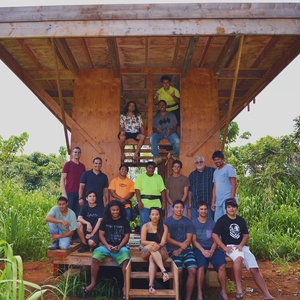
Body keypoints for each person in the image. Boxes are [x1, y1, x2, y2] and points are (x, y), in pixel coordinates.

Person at [212, 198, 276, 300]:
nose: (231, 209)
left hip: (241, 246)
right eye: (229, 207)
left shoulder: (241, 220)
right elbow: (215, 235)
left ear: (236, 208)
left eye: (233, 207)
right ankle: (239, 290)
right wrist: (224, 247)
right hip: (230, 247)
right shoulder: (222, 220)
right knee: (238, 259)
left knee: (254, 268)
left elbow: (246, 235)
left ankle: (266, 295)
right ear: (226, 209)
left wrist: (241, 245)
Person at [82, 200, 131, 297]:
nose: (115, 212)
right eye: (113, 210)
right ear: (109, 210)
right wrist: (107, 246)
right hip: (106, 246)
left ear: (120, 210)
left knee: (126, 256)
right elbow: (101, 235)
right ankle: (93, 284)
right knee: (95, 254)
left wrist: (120, 246)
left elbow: (126, 236)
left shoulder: (124, 221)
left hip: (120, 247)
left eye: (117, 210)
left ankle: (125, 286)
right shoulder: (105, 220)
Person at [192, 201, 228, 300]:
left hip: (212, 248)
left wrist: (212, 250)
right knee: (201, 267)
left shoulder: (212, 223)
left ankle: (223, 291)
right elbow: (193, 240)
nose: (203, 211)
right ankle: (199, 293)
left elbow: (216, 239)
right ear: (198, 210)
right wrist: (203, 251)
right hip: (199, 248)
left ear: (207, 210)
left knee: (222, 265)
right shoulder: (193, 223)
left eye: (205, 209)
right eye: (201, 209)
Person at [164, 200, 197, 300]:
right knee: (178, 271)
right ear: (173, 209)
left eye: (181, 208)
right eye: (177, 207)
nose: (179, 209)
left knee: (192, 270)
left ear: (184, 209)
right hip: (172, 250)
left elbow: (189, 239)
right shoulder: (167, 221)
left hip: (186, 250)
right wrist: (179, 246)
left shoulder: (188, 222)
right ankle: (177, 296)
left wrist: (180, 249)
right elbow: (167, 238)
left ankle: (188, 298)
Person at [140, 207, 170, 295]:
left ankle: (151, 285)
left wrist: (158, 246)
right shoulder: (146, 226)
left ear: (160, 216)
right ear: (149, 216)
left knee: (152, 258)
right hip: (147, 249)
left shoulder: (164, 227)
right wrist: (153, 243)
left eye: (157, 214)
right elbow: (143, 241)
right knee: (151, 248)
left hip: (161, 250)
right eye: (152, 214)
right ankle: (164, 271)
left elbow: (163, 242)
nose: (155, 216)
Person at [135, 161, 166, 230]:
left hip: (156, 203)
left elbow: (162, 191)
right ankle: (144, 239)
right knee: (144, 222)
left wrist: (164, 203)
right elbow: (137, 190)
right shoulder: (141, 177)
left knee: (157, 222)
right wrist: (139, 201)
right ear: (146, 168)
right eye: (149, 168)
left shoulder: (158, 177)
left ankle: (156, 239)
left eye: (153, 168)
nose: (151, 169)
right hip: (144, 204)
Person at [150, 100, 180, 165]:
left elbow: (175, 126)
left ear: (166, 106)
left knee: (177, 141)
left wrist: (171, 132)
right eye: (160, 105)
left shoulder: (171, 115)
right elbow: (154, 129)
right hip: (160, 132)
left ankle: (175, 155)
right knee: (152, 138)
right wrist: (157, 131)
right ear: (158, 107)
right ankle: (157, 157)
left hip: (170, 131)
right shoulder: (156, 117)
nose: (162, 106)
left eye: (163, 104)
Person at [211, 150, 237, 221]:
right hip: (218, 202)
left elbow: (234, 184)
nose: (217, 161)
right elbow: (215, 187)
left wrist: (231, 200)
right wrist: (213, 202)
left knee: (228, 221)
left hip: (227, 199)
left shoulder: (229, 168)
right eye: (215, 160)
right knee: (218, 222)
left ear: (222, 159)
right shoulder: (215, 172)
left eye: (218, 159)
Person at [60, 146, 85, 217]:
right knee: (68, 213)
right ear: (72, 153)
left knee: (77, 214)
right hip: (69, 193)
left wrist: (82, 195)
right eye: (75, 152)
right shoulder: (68, 164)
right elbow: (62, 179)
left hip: (79, 194)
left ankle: (75, 228)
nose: (77, 153)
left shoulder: (82, 166)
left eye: (79, 152)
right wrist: (64, 193)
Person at [189, 155, 215, 220]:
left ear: (204, 162)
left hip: (208, 204)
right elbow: (190, 190)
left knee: (209, 225)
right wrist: (190, 203)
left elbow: (216, 186)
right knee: (195, 225)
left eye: (201, 161)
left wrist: (214, 202)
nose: (199, 163)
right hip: (195, 205)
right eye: (197, 162)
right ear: (195, 164)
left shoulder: (212, 171)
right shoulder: (192, 175)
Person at [119, 101, 146, 165]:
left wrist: (143, 134)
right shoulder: (123, 115)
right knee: (121, 138)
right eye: (130, 105)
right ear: (128, 107)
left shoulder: (137, 116)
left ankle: (135, 156)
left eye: (133, 106)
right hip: (126, 132)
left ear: (135, 107)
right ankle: (123, 155)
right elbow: (121, 126)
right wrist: (122, 131)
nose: (132, 107)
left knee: (142, 137)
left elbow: (141, 126)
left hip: (135, 132)